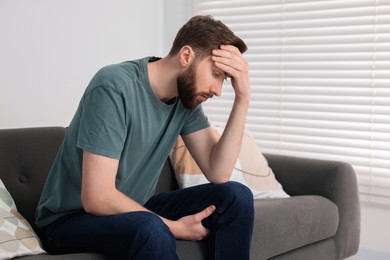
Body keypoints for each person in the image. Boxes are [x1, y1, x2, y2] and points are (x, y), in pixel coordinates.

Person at [35, 15, 254, 260]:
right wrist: (174, 227)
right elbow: (97, 197)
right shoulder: (114, 87)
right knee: (152, 229)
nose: (218, 90)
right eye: (215, 74)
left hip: (136, 209)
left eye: (224, 80)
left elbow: (218, 172)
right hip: (68, 221)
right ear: (186, 56)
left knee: (237, 197)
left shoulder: (186, 101)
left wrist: (243, 97)